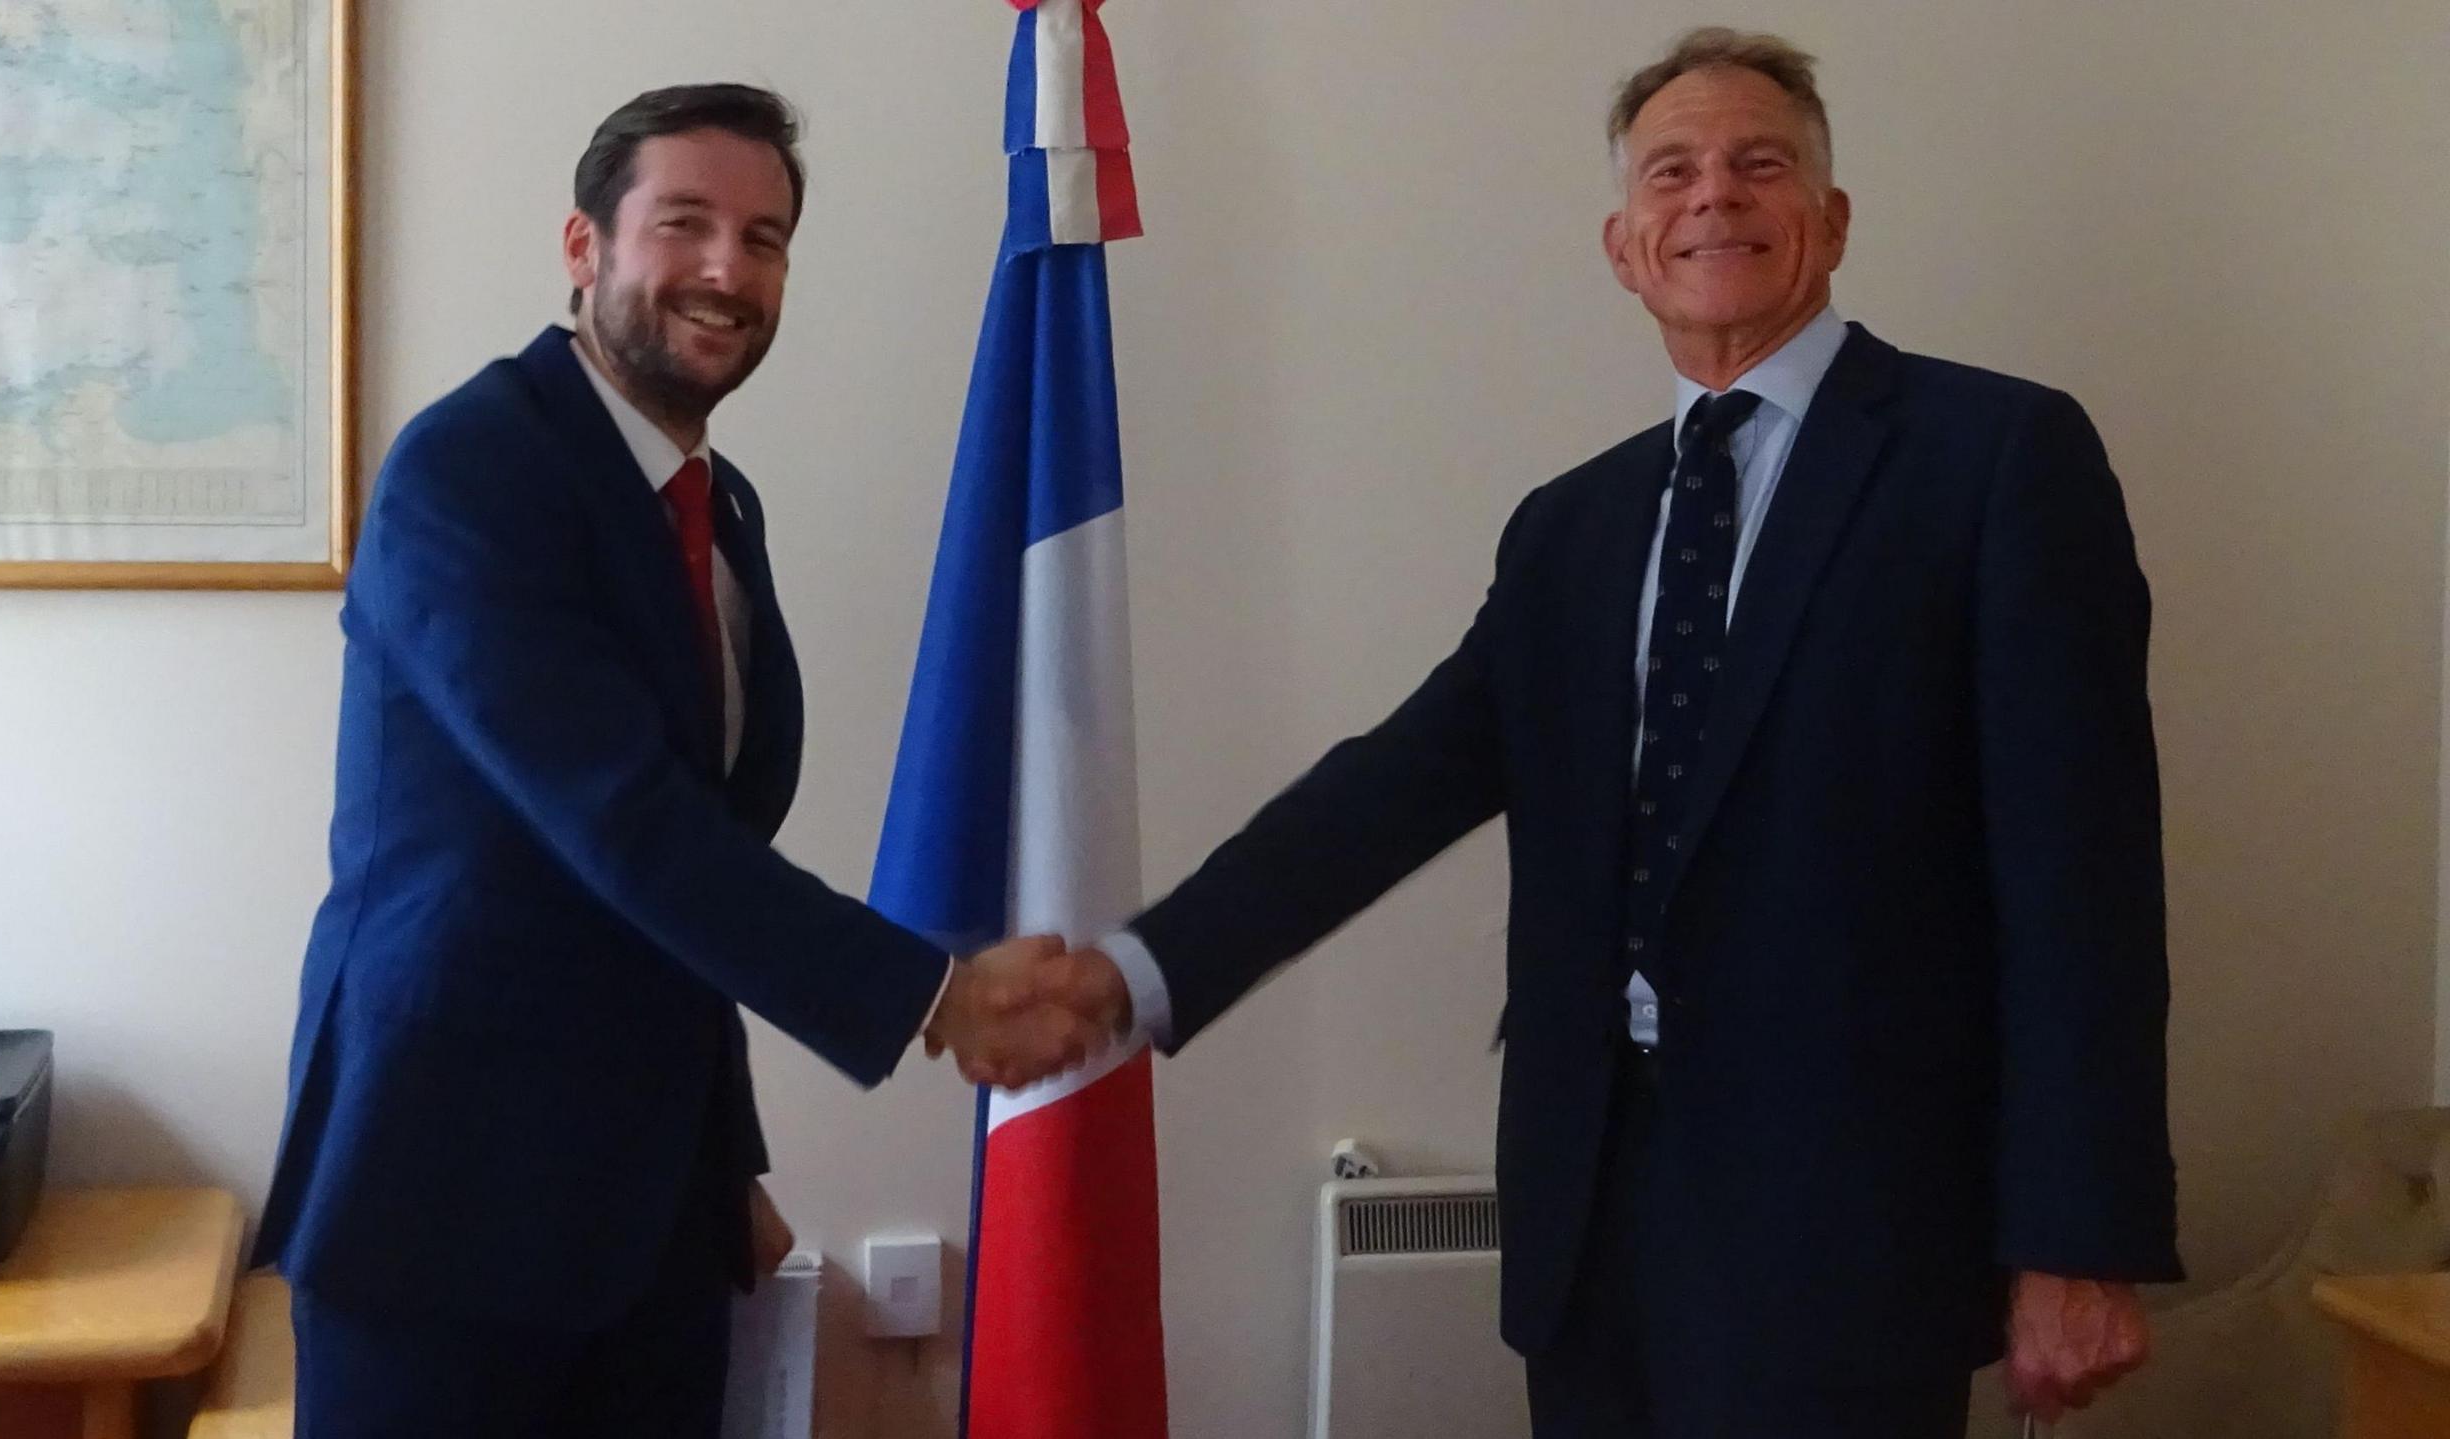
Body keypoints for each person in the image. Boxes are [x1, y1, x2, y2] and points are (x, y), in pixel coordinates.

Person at [1045, 27, 2179, 1438]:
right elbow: (1398, 786)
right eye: (1673, 173)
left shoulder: (1995, 458)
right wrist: (1139, 972)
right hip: (1590, 1222)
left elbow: (2086, 879)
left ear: (1830, 221)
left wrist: (2078, 1232)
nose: (1714, 196)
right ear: (1624, 244)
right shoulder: (1571, 527)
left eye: (1760, 164)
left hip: (1851, 1232)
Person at [251, 83, 1095, 1436]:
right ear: (584, 247)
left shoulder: (719, 503)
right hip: (446, 1203)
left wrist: (720, 1173)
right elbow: (618, 820)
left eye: (764, 241)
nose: (727, 271)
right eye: (685, 224)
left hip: (645, 1219)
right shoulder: (470, 470)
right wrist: (929, 992)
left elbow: (681, 880)